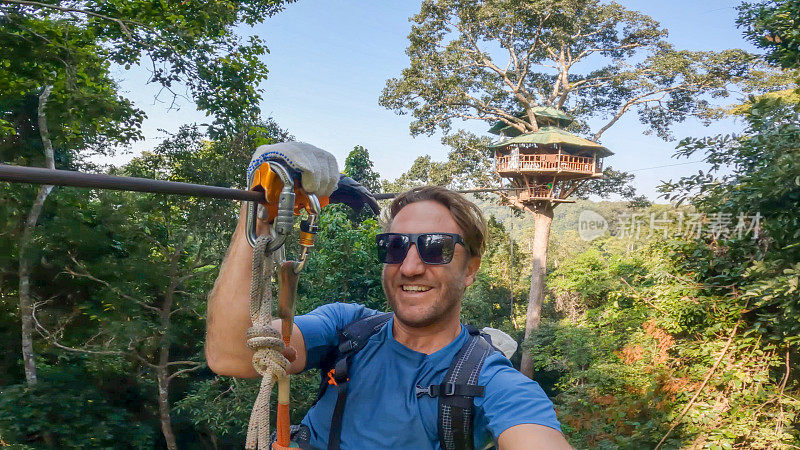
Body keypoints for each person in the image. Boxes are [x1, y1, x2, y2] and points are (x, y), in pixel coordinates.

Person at [205, 143, 571, 449]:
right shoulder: (349, 329)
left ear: (470, 269)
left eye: (436, 247)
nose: (409, 267)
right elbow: (231, 356)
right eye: (394, 246)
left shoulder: (490, 379)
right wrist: (257, 214)